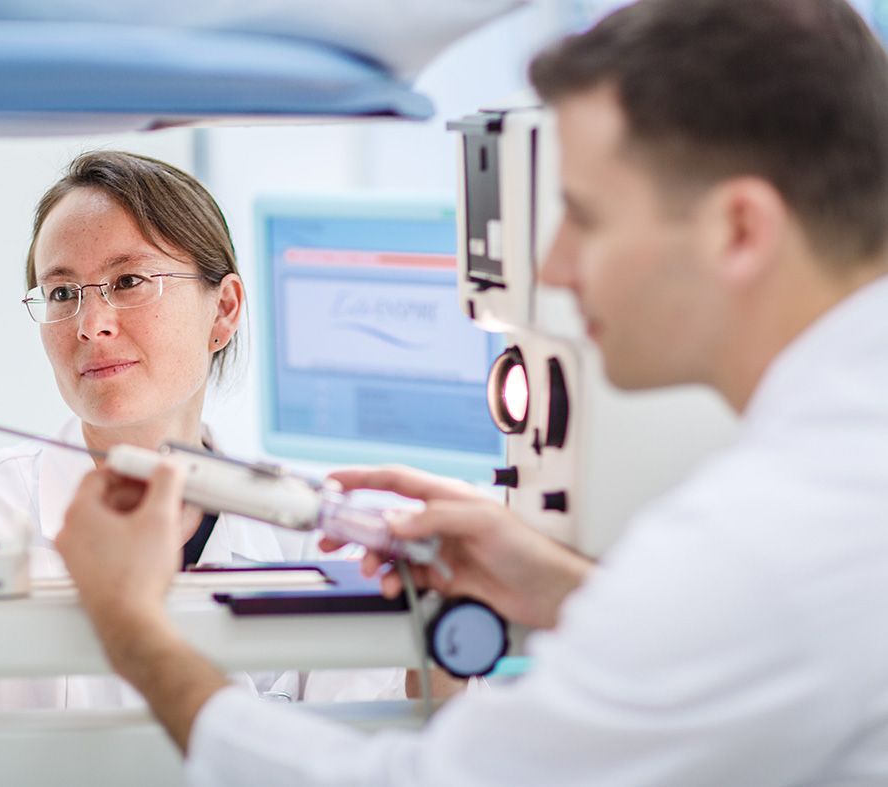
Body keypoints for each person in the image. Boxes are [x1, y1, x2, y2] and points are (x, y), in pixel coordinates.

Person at [53, 0, 888, 783]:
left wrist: (133, 633)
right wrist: (564, 590)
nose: (553, 266)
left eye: (585, 216)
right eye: (61, 292)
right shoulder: (835, 476)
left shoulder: (776, 530)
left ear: (738, 230)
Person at [0, 150, 405, 710]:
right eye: (62, 292)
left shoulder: (314, 542)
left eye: (129, 282)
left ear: (223, 309)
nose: (90, 324)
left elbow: (357, 757)